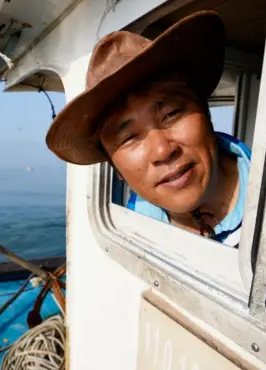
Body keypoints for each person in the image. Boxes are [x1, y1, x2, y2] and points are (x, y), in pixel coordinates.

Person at [44, 11, 249, 247]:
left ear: (206, 114)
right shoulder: (135, 227)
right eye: (129, 137)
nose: (162, 150)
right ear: (116, 168)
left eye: (171, 114)